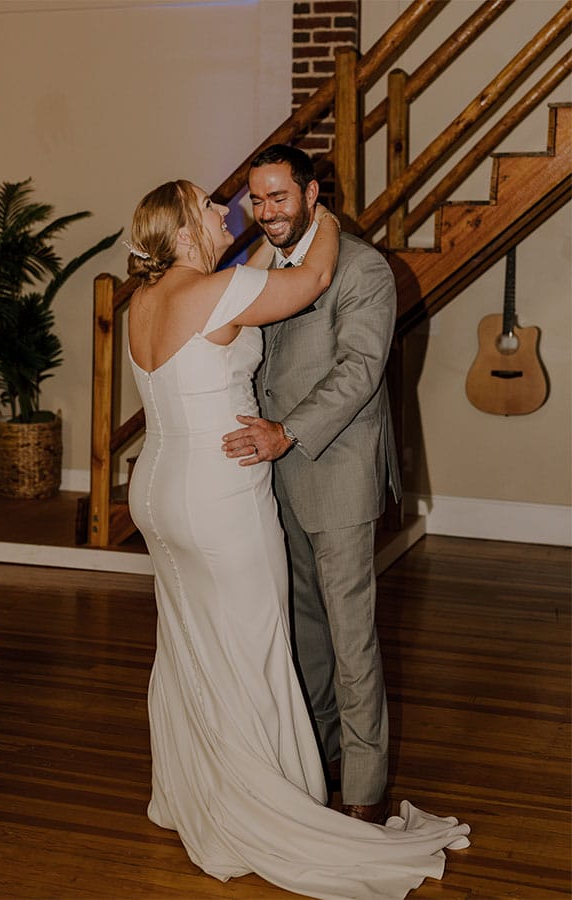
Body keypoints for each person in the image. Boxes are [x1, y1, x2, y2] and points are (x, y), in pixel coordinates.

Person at [126, 178, 469, 900]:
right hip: (217, 492)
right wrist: (326, 219)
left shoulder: (142, 303)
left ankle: (192, 792)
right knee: (251, 641)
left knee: (190, 641)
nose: (229, 213)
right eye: (211, 206)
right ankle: (255, 801)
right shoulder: (215, 287)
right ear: (186, 231)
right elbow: (314, 277)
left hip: (157, 489)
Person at [222, 144, 402, 825]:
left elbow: (359, 370)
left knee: (352, 636)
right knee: (304, 629)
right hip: (275, 476)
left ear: (311, 194)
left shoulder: (362, 268)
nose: (267, 212)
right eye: (257, 199)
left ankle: (364, 790)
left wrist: (286, 432)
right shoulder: (266, 266)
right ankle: (320, 758)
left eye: (280, 198)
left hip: (337, 468)